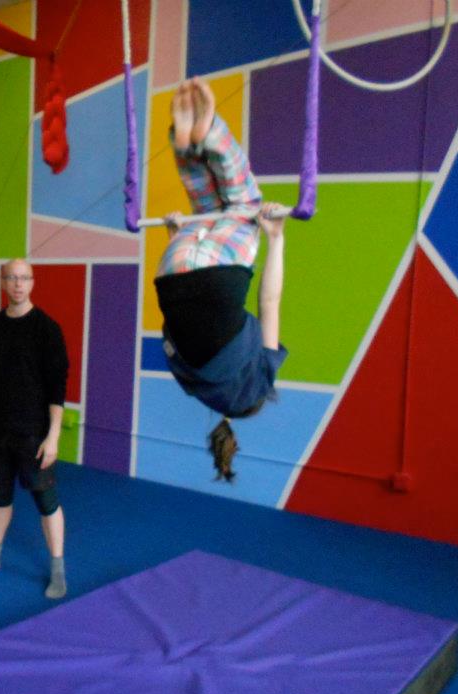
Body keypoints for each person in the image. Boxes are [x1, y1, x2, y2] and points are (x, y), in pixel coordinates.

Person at [155, 78, 287, 481]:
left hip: (218, 279)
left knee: (245, 204)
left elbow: (269, 302)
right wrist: (177, 240)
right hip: (174, 271)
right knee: (206, 210)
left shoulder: (261, 379)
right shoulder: (192, 384)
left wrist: (276, 238)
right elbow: (170, 334)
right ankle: (186, 145)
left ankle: (208, 130)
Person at [0, 259, 70, 600]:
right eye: (12, 278)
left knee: (46, 500)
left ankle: (57, 570)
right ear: (3, 283)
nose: (18, 284)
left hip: (33, 433)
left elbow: (57, 389)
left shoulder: (47, 329)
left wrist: (53, 437)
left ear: (32, 282)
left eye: (24, 278)